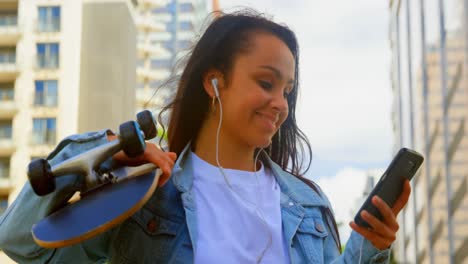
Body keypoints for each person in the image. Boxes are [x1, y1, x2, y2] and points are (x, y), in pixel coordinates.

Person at [0, 10, 410, 263]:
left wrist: (367, 246)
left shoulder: (307, 203)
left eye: (287, 90)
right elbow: (21, 244)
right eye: (266, 83)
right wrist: (104, 151)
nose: (281, 103)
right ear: (215, 82)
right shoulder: (146, 196)